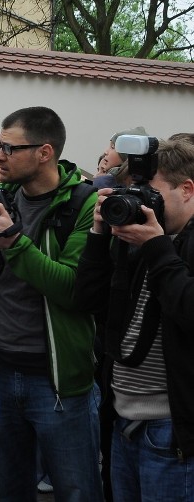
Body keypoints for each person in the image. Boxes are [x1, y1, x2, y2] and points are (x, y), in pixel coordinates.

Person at [0, 106, 102, 501]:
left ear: (44, 152)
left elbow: (71, 289)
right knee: (2, 490)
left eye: (9, 148)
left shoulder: (85, 205)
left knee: (76, 490)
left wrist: (14, 245)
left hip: (55, 381)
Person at [75, 139, 194, 501]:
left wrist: (157, 247)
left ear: (187, 190)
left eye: (152, 192)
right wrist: (98, 235)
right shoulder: (140, 238)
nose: (140, 202)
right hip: (122, 419)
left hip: (171, 428)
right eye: (135, 192)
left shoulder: (165, 243)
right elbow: (86, 300)